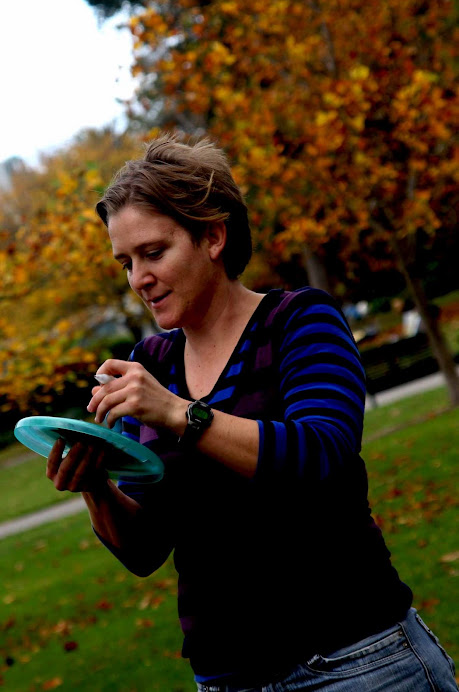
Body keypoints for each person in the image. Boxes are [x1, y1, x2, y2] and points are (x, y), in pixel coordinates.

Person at [46, 134, 458, 692]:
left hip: (360, 664)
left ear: (213, 235)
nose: (137, 279)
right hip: (227, 677)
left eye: (153, 252)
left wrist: (180, 415)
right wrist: (96, 484)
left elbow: (322, 455)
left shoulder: (300, 320)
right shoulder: (151, 363)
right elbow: (145, 549)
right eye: (125, 262)